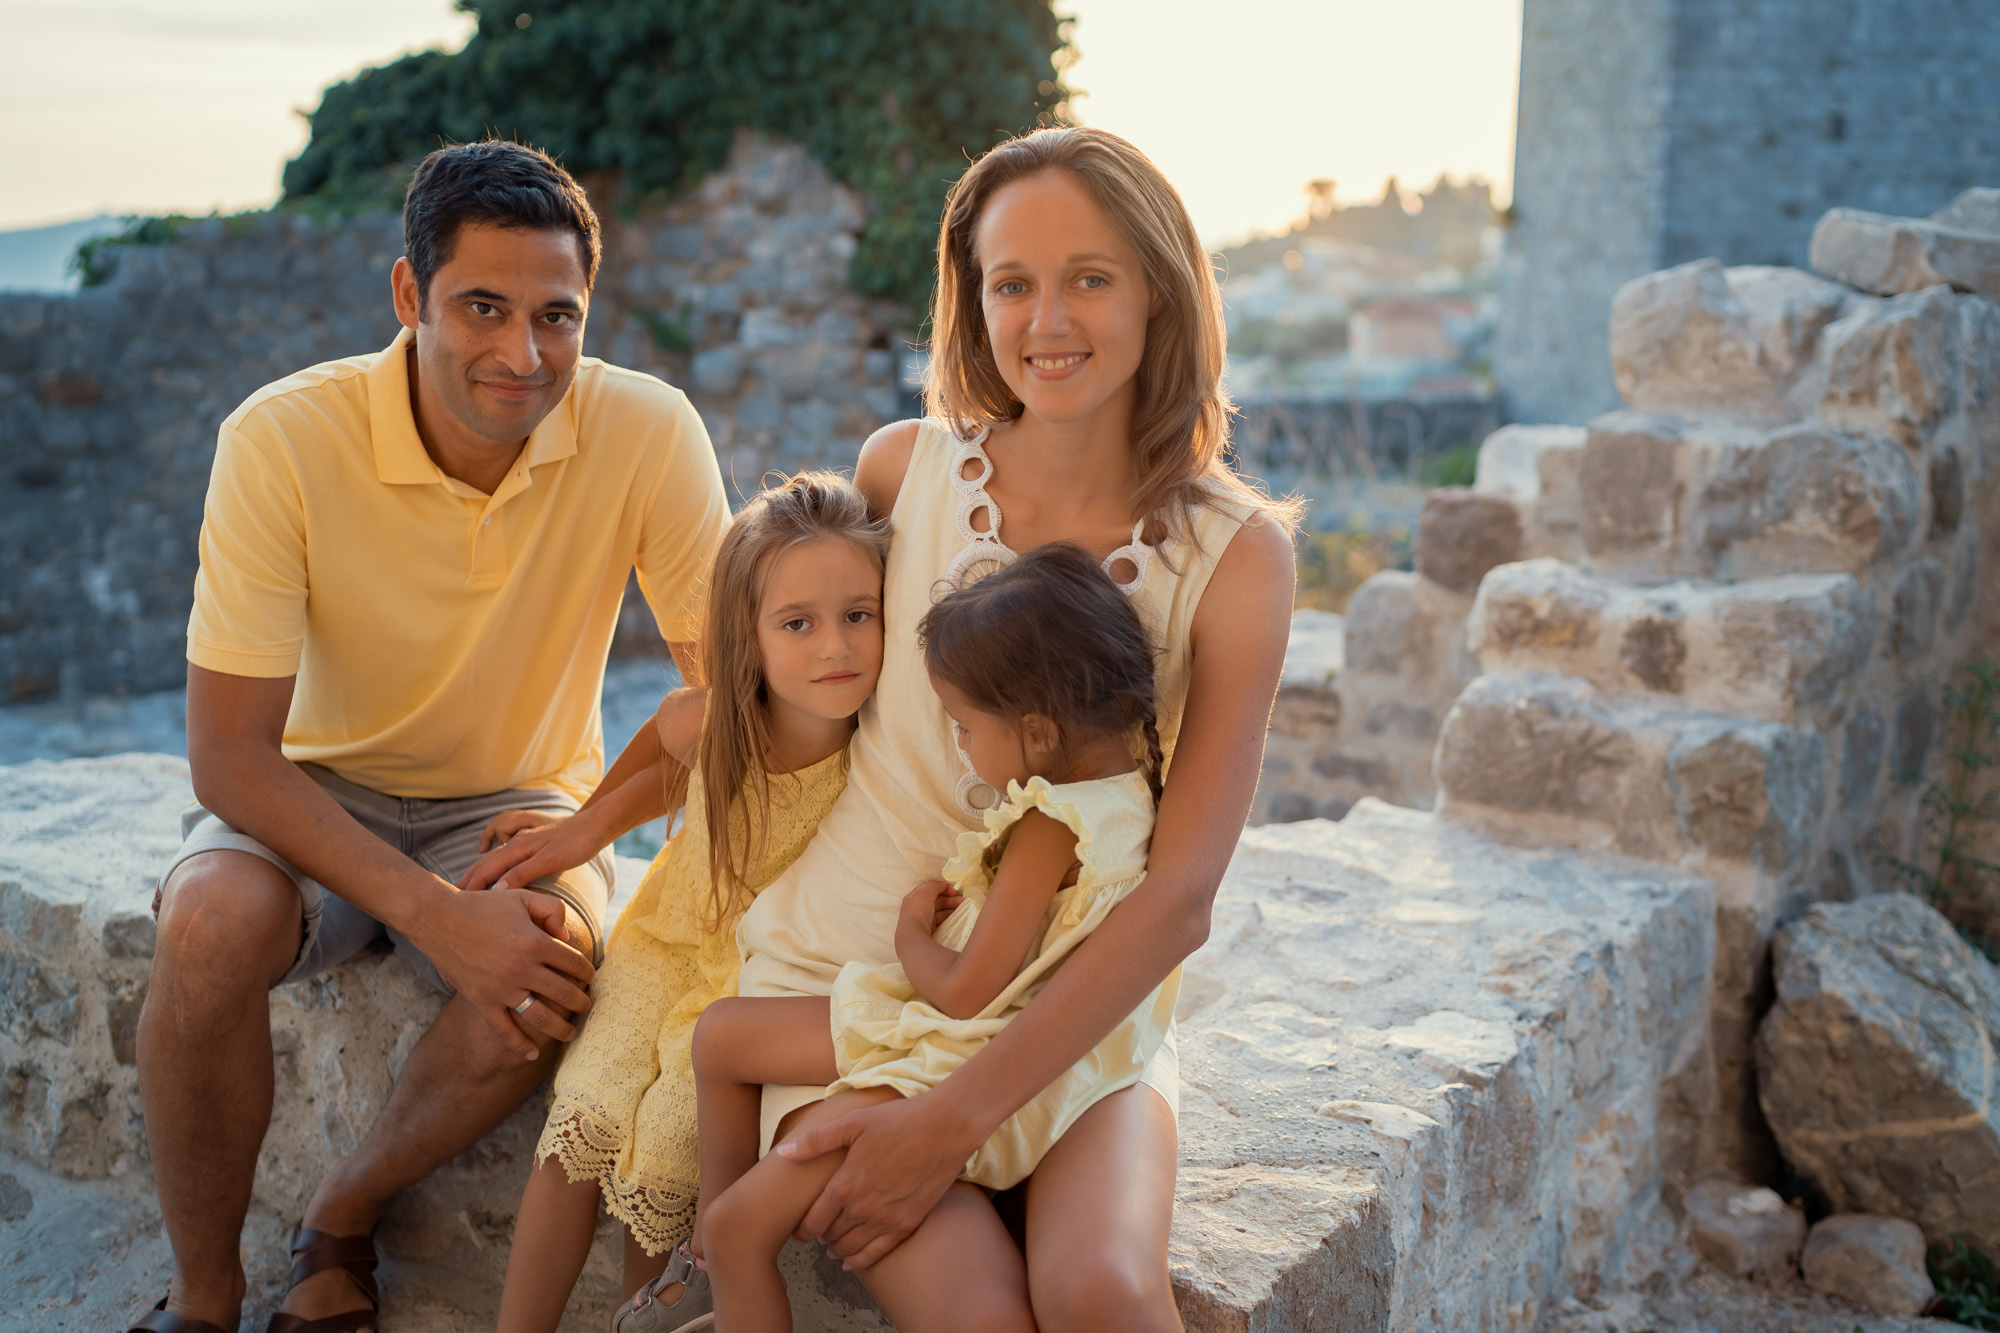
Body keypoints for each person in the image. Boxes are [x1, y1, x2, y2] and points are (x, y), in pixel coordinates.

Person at [478, 123, 1297, 1330]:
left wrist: (954, 1118)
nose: (1046, 318)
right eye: (1010, 282)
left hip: (1074, 998)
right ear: (972, 302)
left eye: (1090, 277)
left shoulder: (1234, 557)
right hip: (844, 992)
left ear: (1160, 289)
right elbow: (761, 701)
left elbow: (1176, 899)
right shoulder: (903, 470)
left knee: (1105, 1289)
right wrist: (591, 827)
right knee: (975, 1313)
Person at [130, 140, 729, 1333]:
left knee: (548, 963)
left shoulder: (645, 430)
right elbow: (228, 757)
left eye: (556, 315)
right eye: (483, 308)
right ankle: (203, 1302)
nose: (524, 353)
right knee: (206, 925)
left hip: (517, 800)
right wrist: (436, 914)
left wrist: (592, 830)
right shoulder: (281, 438)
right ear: (409, 298)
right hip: (309, 790)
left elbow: (736, 698)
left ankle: (339, 1215)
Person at [693, 543, 1169, 1333]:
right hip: (990, 1040)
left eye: (964, 726)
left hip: (950, 1052)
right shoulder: (1134, 797)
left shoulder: (1051, 825)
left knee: (739, 1223)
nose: (960, 746)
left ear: (1040, 732)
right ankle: (710, 1254)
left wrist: (912, 931)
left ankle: (713, 1265)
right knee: (723, 1033)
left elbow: (965, 988)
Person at [488, 472, 891, 1333]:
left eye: (860, 613)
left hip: (749, 984)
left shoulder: (878, 755)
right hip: (664, 942)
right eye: (798, 622)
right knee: (582, 1119)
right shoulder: (721, 719)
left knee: (668, 1148)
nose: (836, 647)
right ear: (749, 635)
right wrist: (582, 830)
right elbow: (660, 751)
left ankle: (652, 1317)